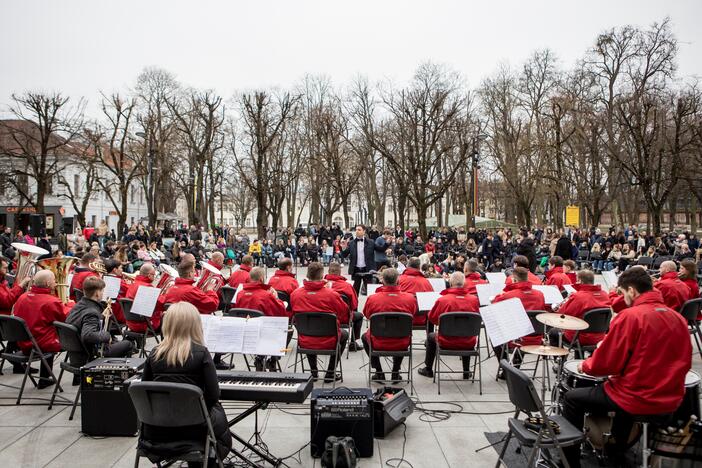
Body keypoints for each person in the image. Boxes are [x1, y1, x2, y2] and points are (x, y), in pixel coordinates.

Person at [562, 267, 691, 467]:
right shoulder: (678, 318)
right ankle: (616, 447)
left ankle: (568, 462)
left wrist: (586, 366)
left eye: (622, 293)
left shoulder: (630, 317)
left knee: (572, 399)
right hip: (671, 397)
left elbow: (605, 364)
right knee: (621, 389)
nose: (623, 297)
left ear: (631, 290)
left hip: (636, 397)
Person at [140, 302, 232, 464]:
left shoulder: (154, 353)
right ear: (195, 325)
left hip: (157, 430)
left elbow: (145, 392)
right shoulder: (201, 353)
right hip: (194, 430)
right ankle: (210, 459)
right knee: (216, 412)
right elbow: (213, 395)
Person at [290, 262, 348, 382]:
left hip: (305, 340)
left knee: (309, 329)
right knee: (344, 334)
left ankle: (313, 372)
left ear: (307, 275)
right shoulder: (332, 294)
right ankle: (330, 372)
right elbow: (344, 314)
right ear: (322, 276)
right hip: (329, 339)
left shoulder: (295, 294)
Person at [417, 272, 480, 379]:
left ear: (450, 282)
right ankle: (466, 371)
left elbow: (432, 318)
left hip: (446, 340)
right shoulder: (474, 300)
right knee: (466, 333)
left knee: (430, 336)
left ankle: (428, 369)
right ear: (464, 283)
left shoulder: (443, 300)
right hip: (469, 342)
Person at [362, 268, 417, 383]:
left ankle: (379, 371)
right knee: (401, 331)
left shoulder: (373, 298)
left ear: (382, 280)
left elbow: (367, 315)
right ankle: (395, 371)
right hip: (402, 342)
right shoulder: (410, 298)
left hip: (378, 341)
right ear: (398, 280)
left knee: (364, 337)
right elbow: (413, 314)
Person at [65, 276, 133, 369]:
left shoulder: (78, 305)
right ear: (97, 293)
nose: (103, 293)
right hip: (89, 354)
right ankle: (114, 372)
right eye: (102, 291)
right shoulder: (91, 312)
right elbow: (88, 335)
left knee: (115, 341)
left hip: (75, 354)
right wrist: (107, 336)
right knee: (128, 344)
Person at [12, 270, 65, 388]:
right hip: (42, 345)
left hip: (23, 344)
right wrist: (70, 305)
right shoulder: (51, 301)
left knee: (45, 331)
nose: (56, 284)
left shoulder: (22, 297)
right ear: (47, 283)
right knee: (73, 337)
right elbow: (64, 317)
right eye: (54, 281)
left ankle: (45, 378)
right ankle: (46, 378)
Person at [492, 267, 546, 369]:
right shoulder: (540, 295)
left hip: (515, 339)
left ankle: (506, 369)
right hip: (536, 338)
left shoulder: (509, 295)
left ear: (514, 279)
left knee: (495, 335)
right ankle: (515, 366)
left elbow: (494, 304)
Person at [236, 267, 288, 372]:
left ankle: (259, 357)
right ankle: (273, 358)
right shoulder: (266, 295)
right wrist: (276, 297)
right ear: (262, 278)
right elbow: (281, 312)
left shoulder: (240, 294)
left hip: (246, 332)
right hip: (264, 333)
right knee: (288, 330)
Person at [550, 270, 611, 356]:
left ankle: (560, 360)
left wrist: (569, 300)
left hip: (579, 337)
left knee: (553, 332)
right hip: (599, 337)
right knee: (579, 325)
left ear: (580, 281)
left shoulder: (578, 296)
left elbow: (563, 314)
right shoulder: (605, 294)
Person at [324, 262, 363, 351]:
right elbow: (354, 305)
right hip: (343, 318)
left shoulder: (322, 285)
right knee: (359, 316)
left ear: (328, 271)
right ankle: (353, 343)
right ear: (340, 272)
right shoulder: (347, 286)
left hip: (324, 318)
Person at [340, 224, 380, 294]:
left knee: (370, 292)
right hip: (355, 270)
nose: (357, 231)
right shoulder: (351, 243)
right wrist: (343, 247)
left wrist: (387, 243)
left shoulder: (371, 242)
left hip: (367, 269)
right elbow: (344, 254)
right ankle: (354, 305)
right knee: (354, 292)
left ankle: (369, 304)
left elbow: (380, 249)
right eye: (356, 230)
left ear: (364, 231)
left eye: (359, 230)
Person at [125, 263, 163, 333]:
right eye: (154, 275)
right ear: (149, 275)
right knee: (166, 317)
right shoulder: (147, 287)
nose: (154, 277)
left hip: (130, 323)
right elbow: (160, 304)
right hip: (144, 324)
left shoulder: (132, 284)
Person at [398, 257, 433, 326]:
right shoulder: (426, 282)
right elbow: (431, 303)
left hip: (400, 319)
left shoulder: (398, 280)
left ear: (407, 266)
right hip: (420, 320)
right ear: (419, 267)